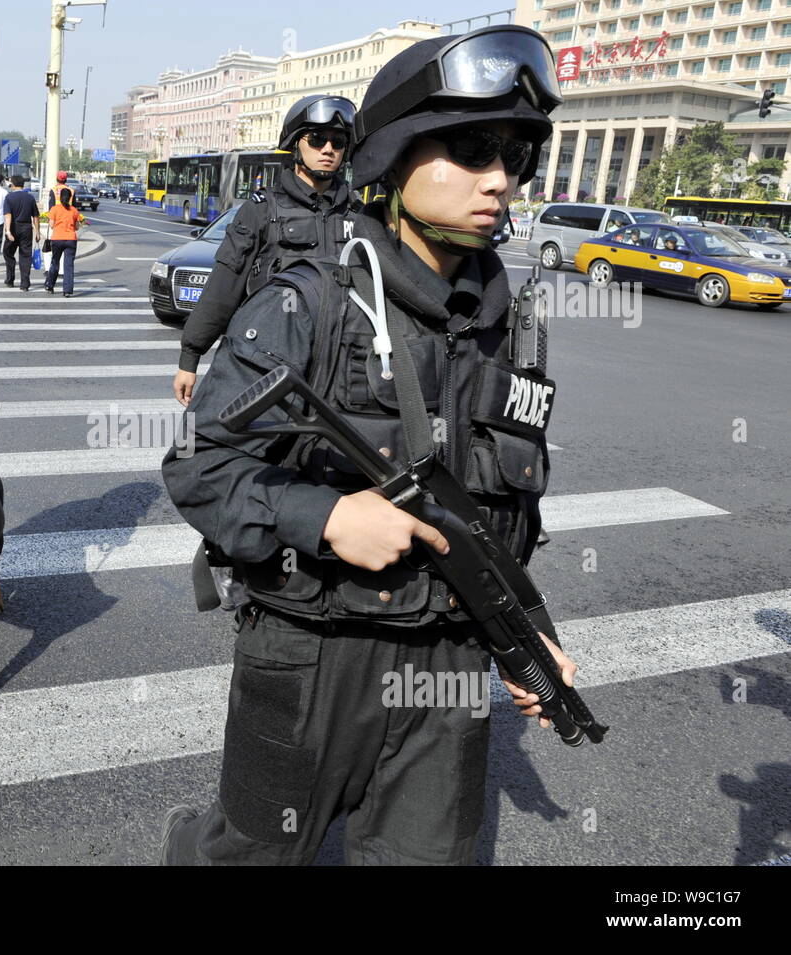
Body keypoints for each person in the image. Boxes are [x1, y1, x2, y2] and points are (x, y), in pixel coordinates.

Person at [159, 24, 577, 866]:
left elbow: (502, 511)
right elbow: (199, 463)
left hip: (451, 661)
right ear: (392, 155)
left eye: (516, 157)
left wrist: (527, 630)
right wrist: (322, 515)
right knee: (250, 854)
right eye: (471, 147)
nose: (499, 179)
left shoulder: (510, 327)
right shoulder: (310, 303)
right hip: (314, 652)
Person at [170, 94, 364, 406]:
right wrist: (190, 358)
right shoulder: (262, 210)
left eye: (337, 142)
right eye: (316, 139)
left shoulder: (357, 214)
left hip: (339, 366)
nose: (328, 149)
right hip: (271, 362)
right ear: (295, 145)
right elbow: (225, 285)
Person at [1, 174, 41, 291]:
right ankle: (25, 284)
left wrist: (8, 231)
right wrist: (37, 232)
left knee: (8, 253)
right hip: (26, 229)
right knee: (25, 256)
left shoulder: (9, 198)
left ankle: (10, 279)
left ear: (12, 184)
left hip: (13, 227)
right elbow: (36, 216)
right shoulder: (30, 198)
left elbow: (8, 215)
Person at [44, 186, 84, 296]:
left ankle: (50, 285)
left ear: (60, 197)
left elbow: (51, 225)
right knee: (68, 265)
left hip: (57, 239)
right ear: (70, 198)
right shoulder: (74, 211)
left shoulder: (55, 209)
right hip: (71, 239)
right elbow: (76, 227)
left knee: (55, 262)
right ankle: (67, 290)